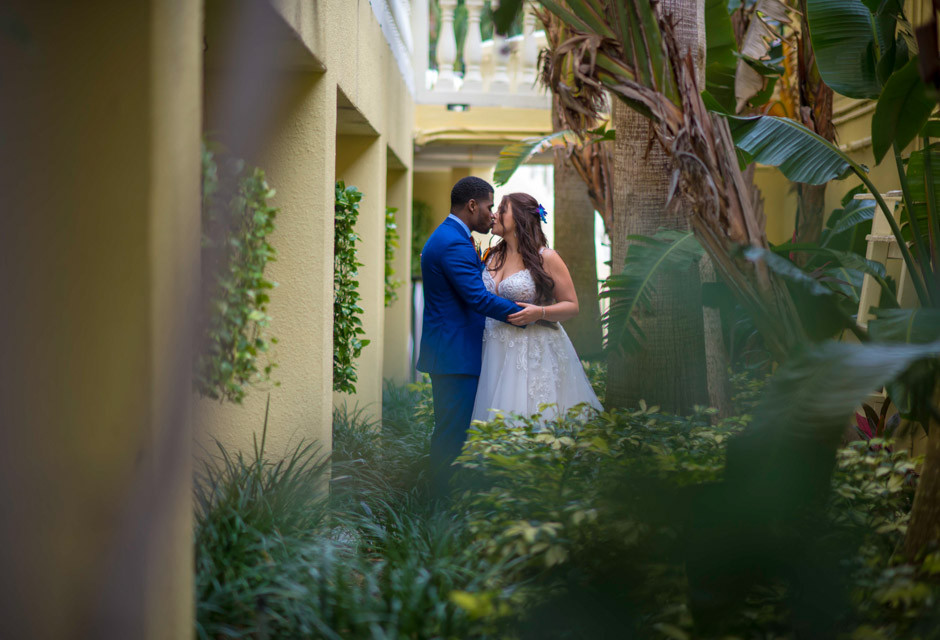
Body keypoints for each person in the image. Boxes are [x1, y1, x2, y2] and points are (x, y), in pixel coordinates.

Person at [417, 177, 523, 498]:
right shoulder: (453, 242)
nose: (492, 214)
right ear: (472, 205)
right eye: (490, 206)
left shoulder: (454, 237)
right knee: (451, 436)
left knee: (454, 433)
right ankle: (439, 509)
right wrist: (526, 314)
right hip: (454, 356)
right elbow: (477, 298)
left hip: (454, 353)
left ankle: (446, 502)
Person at [471, 192, 602, 424]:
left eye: (502, 209)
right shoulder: (492, 256)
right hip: (493, 350)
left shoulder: (547, 258)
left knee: (531, 418)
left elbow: (572, 306)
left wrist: (539, 312)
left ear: (520, 218)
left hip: (532, 351)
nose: (494, 215)